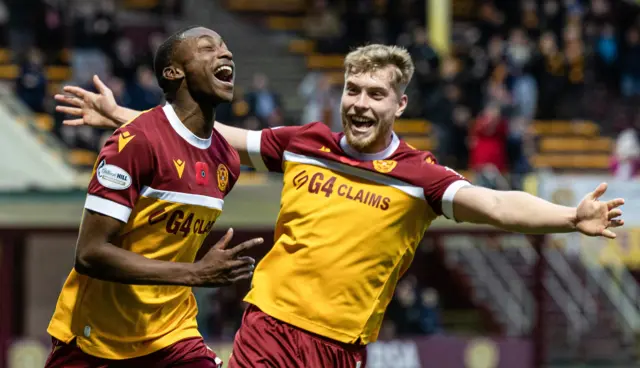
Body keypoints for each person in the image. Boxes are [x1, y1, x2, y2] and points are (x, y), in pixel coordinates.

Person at [56, 44, 625, 368]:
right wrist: (123, 116)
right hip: (268, 324)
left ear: (399, 104)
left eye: (375, 94)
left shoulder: (418, 176)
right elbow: (210, 134)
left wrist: (570, 218)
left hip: (339, 347)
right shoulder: (306, 144)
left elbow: (495, 204)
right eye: (353, 89)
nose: (359, 102)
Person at [45, 26, 264, 368]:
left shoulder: (228, 162)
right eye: (207, 48)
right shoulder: (134, 144)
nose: (225, 54)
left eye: (225, 46)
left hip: (173, 334)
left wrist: (193, 276)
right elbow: (90, 254)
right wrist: (196, 274)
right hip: (96, 339)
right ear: (173, 71)